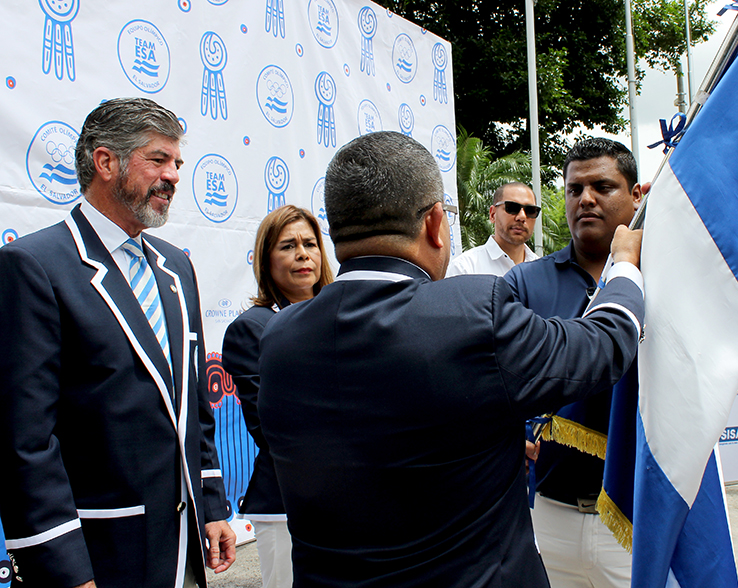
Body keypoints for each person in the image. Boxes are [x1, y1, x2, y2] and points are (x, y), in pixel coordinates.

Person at [257, 131, 645, 587]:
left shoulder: (278, 338)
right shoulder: (474, 313)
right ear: (435, 224)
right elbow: (602, 345)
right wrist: (624, 265)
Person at [0, 98, 236, 588]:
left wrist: (211, 503)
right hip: (99, 555)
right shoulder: (34, 266)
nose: (173, 176)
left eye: (178, 163)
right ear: (105, 162)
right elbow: (24, 440)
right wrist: (63, 570)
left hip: (183, 551)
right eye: (158, 159)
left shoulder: (176, 268)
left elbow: (192, 404)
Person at [505, 137, 642, 588]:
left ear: (636, 195)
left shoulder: (667, 281)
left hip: (638, 518)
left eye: (602, 187)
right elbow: (495, 380)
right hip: (549, 517)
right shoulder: (523, 284)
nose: (585, 199)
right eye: (574, 189)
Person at [222, 205, 333, 587]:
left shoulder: (344, 316)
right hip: (288, 503)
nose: (303, 254)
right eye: (288, 246)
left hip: (354, 499)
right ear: (266, 260)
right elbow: (272, 425)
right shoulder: (252, 328)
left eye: (310, 244)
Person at [446, 182, 539, 277]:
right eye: (512, 208)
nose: (522, 217)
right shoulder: (465, 268)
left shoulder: (543, 271)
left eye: (530, 211)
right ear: (493, 214)